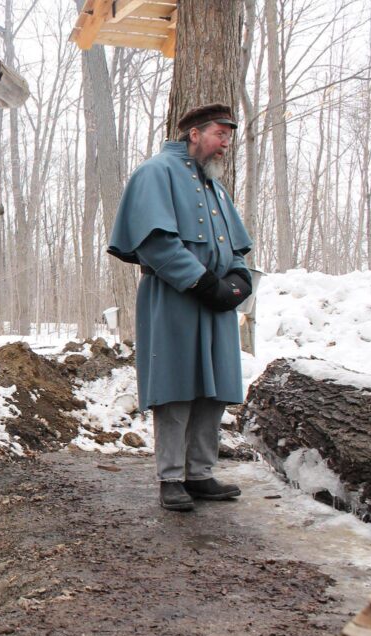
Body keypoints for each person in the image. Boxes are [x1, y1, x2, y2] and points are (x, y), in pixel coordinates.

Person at [107, 103, 254, 511]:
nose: (226, 143)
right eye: (220, 134)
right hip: (173, 300)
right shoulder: (156, 172)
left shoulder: (214, 186)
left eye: (229, 135)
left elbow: (234, 247)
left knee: (214, 389)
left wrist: (238, 282)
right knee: (176, 388)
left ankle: (201, 474)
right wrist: (204, 283)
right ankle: (171, 477)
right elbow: (156, 243)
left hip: (216, 304)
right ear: (194, 133)